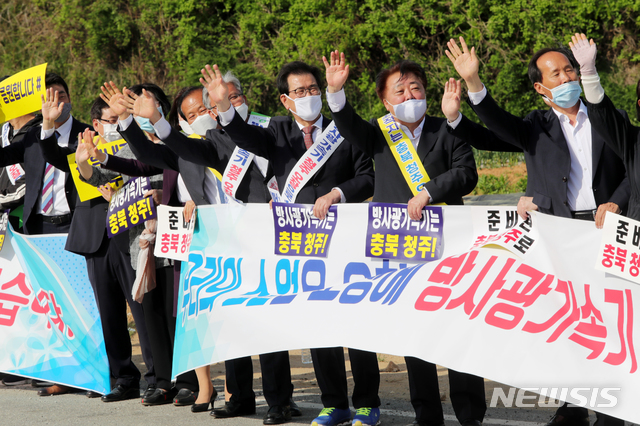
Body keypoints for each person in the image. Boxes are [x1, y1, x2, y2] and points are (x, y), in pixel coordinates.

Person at [445, 36, 630, 426]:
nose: (565, 78)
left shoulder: (604, 114)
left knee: (610, 319)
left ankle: (613, 407)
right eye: (555, 74)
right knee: (571, 319)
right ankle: (574, 406)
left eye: (568, 70)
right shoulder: (536, 126)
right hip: (559, 231)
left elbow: (634, 164)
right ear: (540, 87)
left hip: (605, 228)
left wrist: (616, 200)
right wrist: (475, 84)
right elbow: (496, 123)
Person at [201, 61, 377, 426]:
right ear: (285, 99)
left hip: (346, 241)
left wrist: (337, 193)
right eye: (300, 91)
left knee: (356, 324)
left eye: (314, 89)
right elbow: (246, 139)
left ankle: (367, 403)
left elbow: (367, 178)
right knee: (319, 325)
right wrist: (223, 106)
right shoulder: (277, 130)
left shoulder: (344, 126)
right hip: (303, 246)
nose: (309, 96)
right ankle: (334, 403)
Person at [325, 51, 485, 426]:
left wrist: (430, 191)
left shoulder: (448, 126)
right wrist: (335, 93)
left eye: (416, 87)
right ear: (385, 100)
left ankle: (470, 413)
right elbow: (347, 124)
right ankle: (426, 413)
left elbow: (467, 174)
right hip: (400, 250)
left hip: (450, 245)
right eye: (400, 90)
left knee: (459, 328)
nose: (410, 95)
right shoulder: (377, 134)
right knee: (417, 334)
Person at [138, 74, 300, 420]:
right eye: (197, 110)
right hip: (221, 244)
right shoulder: (200, 146)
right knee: (230, 320)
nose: (205, 113)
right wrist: (137, 122)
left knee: (267, 320)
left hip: (266, 237)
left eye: (212, 104)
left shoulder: (271, 129)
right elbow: (152, 151)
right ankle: (240, 396)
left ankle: (279, 399)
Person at [38, 93, 157, 401]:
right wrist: (48, 124)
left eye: (122, 120)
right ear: (96, 123)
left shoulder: (135, 146)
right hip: (95, 236)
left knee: (142, 309)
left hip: (131, 234)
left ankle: (157, 375)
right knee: (108, 312)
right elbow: (52, 154)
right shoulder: (86, 143)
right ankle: (122, 376)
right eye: (112, 120)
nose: (117, 125)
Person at [95, 83, 203, 406]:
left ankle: (187, 379)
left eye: (146, 102)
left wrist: (161, 197)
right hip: (143, 242)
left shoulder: (182, 143)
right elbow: (135, 164)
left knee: (177, 309)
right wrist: (103, 157)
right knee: (152, 310)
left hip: (176, 235)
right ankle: (164, 379)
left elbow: (156, 166)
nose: (139, 107)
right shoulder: (135, 146)